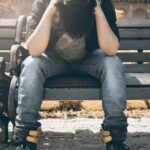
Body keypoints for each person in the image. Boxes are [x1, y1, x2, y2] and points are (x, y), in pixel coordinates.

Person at [13, 0, 131, 150]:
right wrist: (50, 10)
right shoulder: (44, 3)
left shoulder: (102, 3)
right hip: (55, 60)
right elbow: (35, 50)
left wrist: (98, 12)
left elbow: (111, 49)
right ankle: (26, 137)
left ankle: (115, 138)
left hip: (89, 59)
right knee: (31, 64)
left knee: (113, 63)